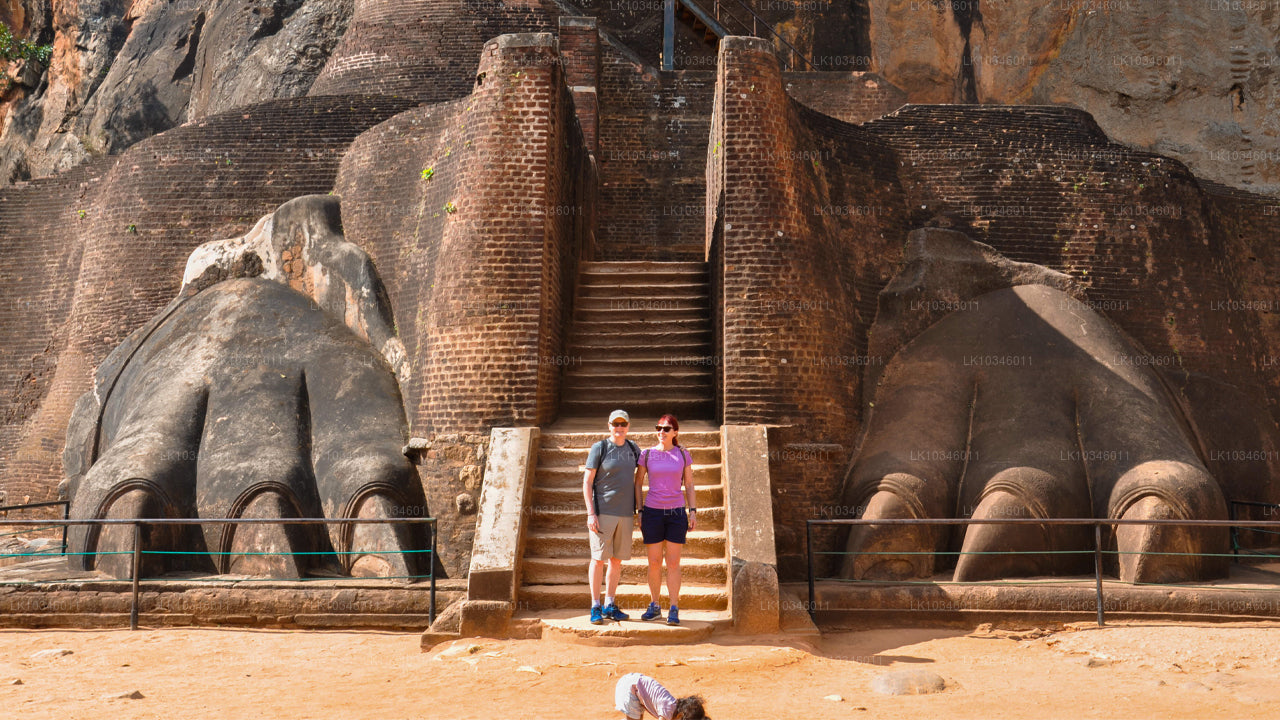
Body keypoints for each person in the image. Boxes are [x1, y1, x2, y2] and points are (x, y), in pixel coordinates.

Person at [635, 413, 696, 626]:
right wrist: (640, 510)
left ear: (675, 432)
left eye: (666, 429)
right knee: (653, 562)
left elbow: (689, 485)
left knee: (673, 562)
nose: (661, 432)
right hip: (652, 512)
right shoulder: (647, 454)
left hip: (676, 513)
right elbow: (638, 483)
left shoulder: (683, 454)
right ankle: (654, 605)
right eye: (658, 428)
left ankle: (674, 607)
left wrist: (693, 511)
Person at [583, 409, 642, 624]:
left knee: (616, 561)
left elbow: (639, 480)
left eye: (623, 424)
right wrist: (591, 513)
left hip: (626, 513)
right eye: (615, 424)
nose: (619, 428)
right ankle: (595, 606)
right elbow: (587, 482)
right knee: (598, 560)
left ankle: (609, 603)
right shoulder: (600, 448)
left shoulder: (633, 449)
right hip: (603, 513)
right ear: (609, 426)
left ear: (628, 426)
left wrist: (640, 509)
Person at [614, 673, 709, 720]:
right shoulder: (667, 711)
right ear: (680, 716)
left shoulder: (672, 706)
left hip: (635, 686)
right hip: (630, 687)